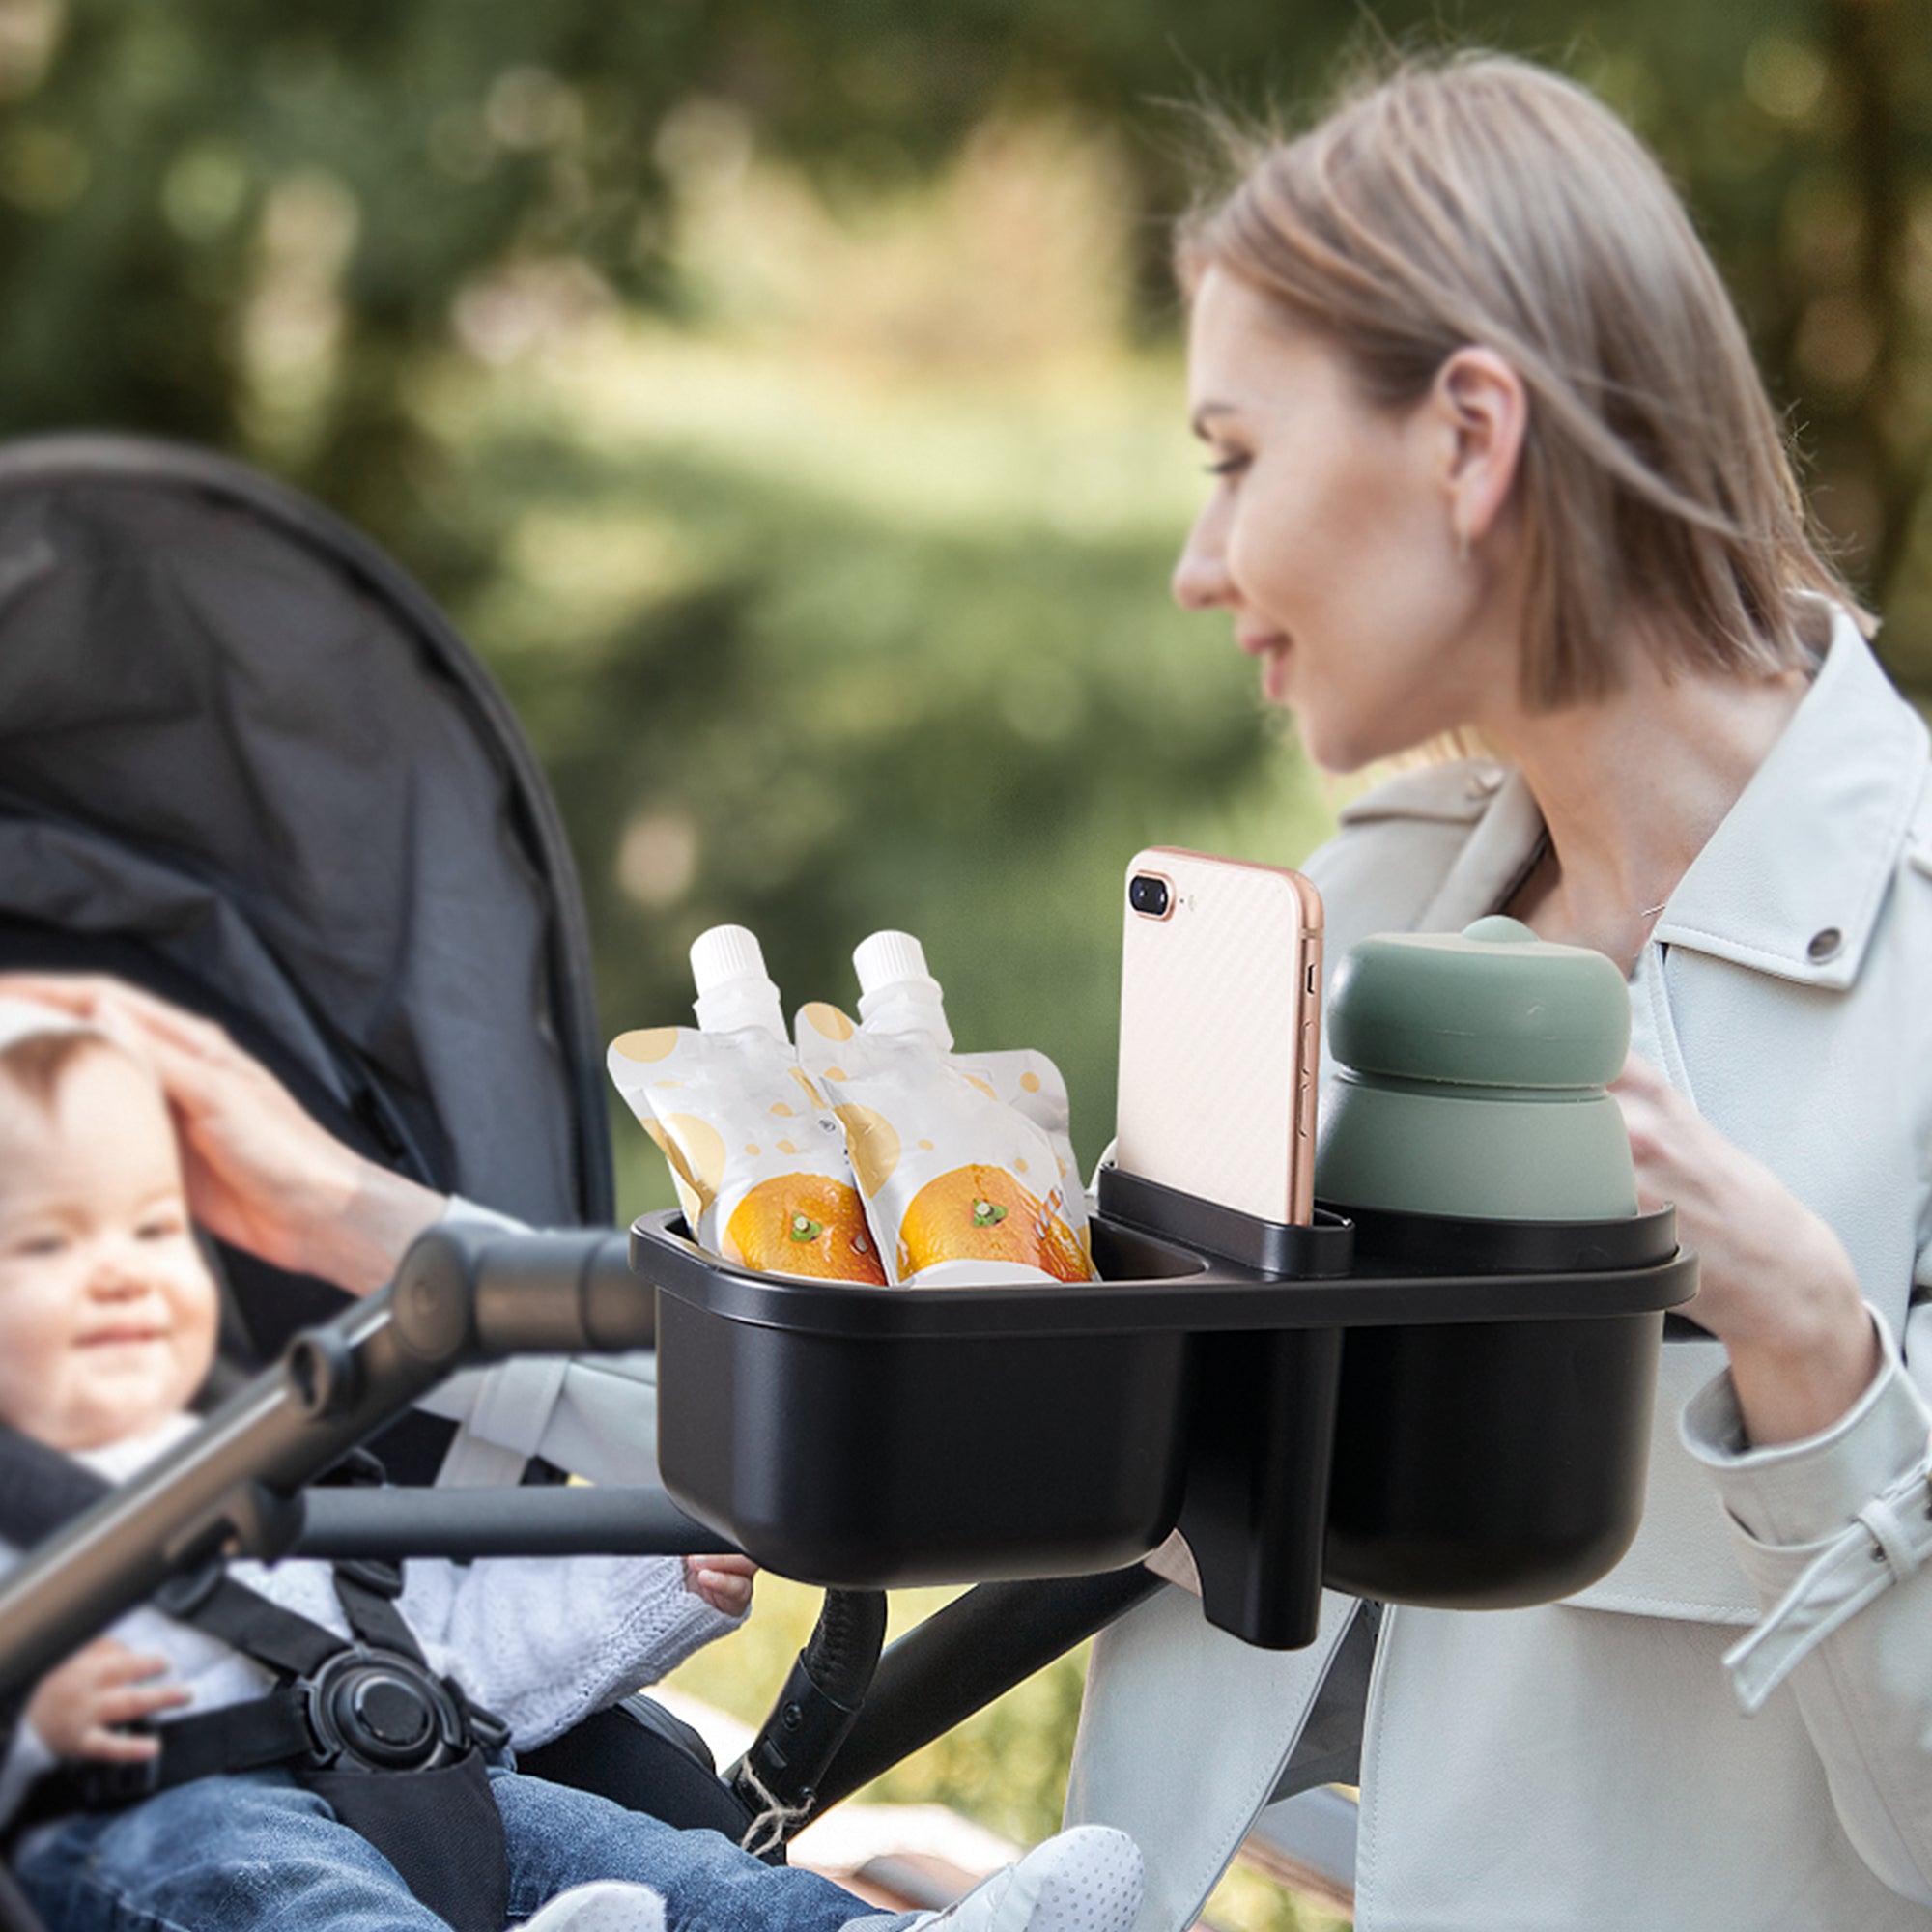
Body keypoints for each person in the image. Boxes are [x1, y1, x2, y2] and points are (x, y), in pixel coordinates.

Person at [1065, 48, 1932, 1932]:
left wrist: (1810, 1351)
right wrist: (400, 1246)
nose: (1199, 564)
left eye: (1233, 457)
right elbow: (1026, 1423)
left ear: (1468, 436)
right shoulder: (1346, 913)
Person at [0, 998, 1146, 1932]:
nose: (117, 1271)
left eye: (152, 1227)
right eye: (48, 1241)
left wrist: (655, 1574)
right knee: (289, 1885)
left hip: (415, 1776)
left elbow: (447, 1631)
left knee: (646, 1862)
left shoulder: (281, 1451)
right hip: (152, 1818)